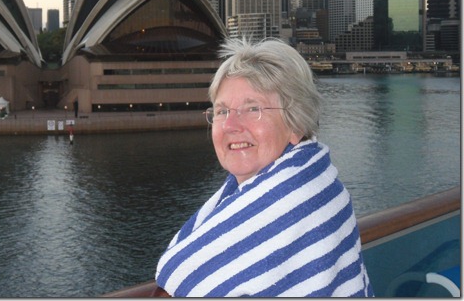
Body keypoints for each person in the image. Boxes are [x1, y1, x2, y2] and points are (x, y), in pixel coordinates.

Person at [155, 38, 373, 297]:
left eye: (252, 108)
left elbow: (181, 276)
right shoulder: (318, 182)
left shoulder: (294, 204)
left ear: (296, 123)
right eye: (222, 111)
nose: (231, 126)